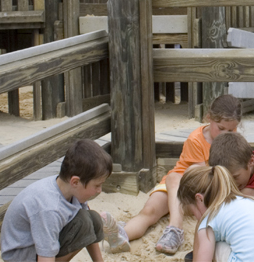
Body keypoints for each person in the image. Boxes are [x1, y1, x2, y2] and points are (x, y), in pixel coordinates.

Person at [102, 94, 242, 255]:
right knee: (150, 210)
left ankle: (175, 229)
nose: (226, 134)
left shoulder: (234, 143)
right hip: (180, 185)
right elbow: (195, 173)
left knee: (174, 180)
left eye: (231, 130)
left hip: (202, 193)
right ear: (209, 118)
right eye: (221, 128)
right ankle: (122, 235)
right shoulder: (196, 140)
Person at [0, 139, 113, 262]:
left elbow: (91, 230)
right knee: (83, 222)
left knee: (93, 219)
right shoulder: (49, 208)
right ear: (75, 181)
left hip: (38, 247)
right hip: (22, 256)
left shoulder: (71, 189)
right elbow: (45, 255)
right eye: (97, 185)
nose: (99, 190)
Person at [177, 165, 254, 262]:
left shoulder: (210, 217)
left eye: (193, 213)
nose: (196, 218)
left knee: (212, 243)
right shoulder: (251, 201)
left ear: (199, 199)